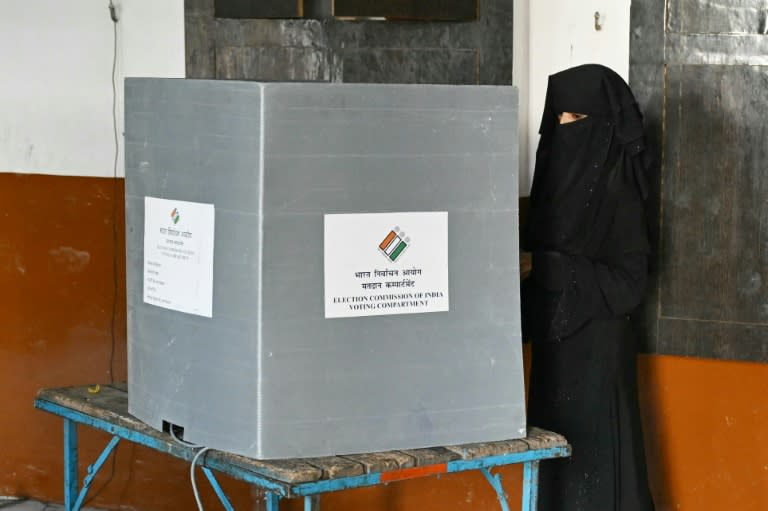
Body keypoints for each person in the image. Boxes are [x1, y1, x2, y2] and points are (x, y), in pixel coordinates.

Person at [521, 64, 656, 511]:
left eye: (575, 119)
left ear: (601, 125)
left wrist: (552, 268)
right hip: (553, 356)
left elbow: (630, 285)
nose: (563, 129)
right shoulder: (551, 188)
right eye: (557, 117)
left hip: (598, 359)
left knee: (597, 478)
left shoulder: (620, 193)